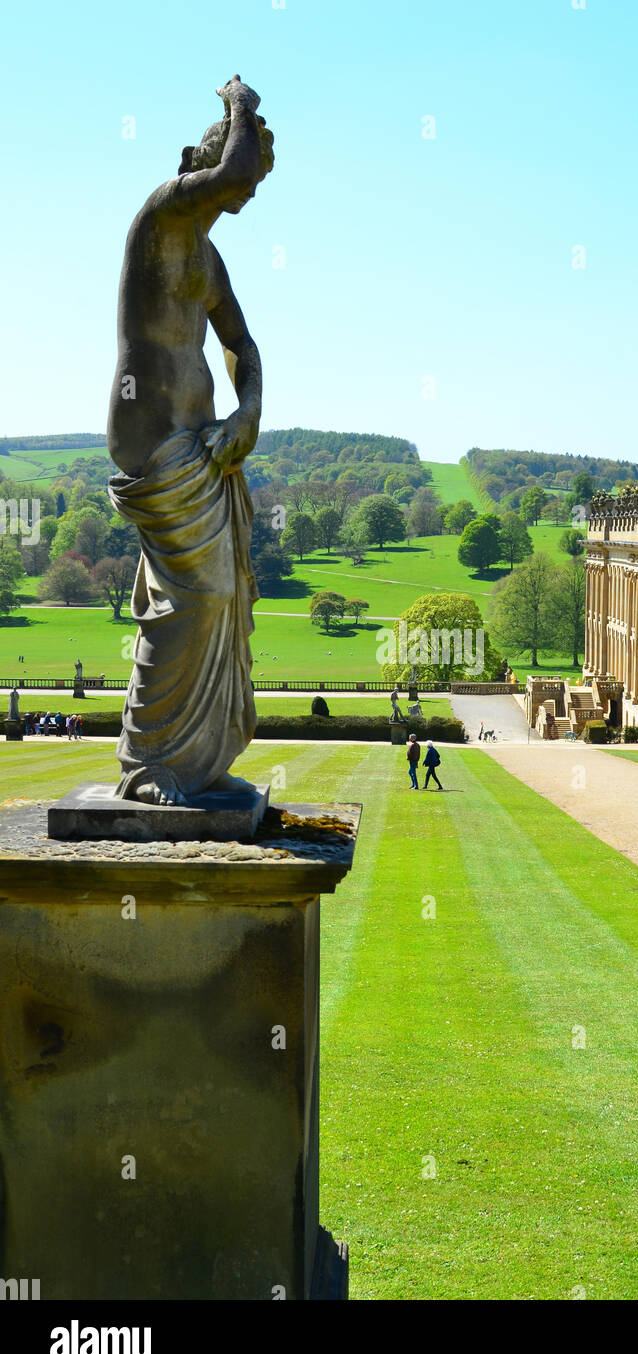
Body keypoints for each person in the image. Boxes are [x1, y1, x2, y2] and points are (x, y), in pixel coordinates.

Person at [105, 75, 275, 807]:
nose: (250, 190)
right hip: (156, 442)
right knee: (198, 597)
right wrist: (242, 102)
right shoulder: (164, 216)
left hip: (205, 446)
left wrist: (249, 412)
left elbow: (241, 342)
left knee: (221, 594)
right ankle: (148, 762)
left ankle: (196, 765)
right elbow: (231, 169)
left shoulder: (206, 255)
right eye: (252, 173)